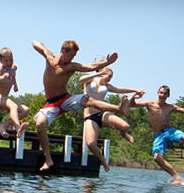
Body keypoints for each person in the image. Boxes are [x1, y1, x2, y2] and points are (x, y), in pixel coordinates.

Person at [32, 40, 130, 171]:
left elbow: (89, 66)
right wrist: (45, 50)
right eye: (71, 55)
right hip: (51, 103)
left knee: (87, 100)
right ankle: (48, 160)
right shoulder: (49, 58)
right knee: (40, 125)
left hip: (65, 99)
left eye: (74, 56)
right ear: (63, 52)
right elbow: (35, 42)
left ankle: (119, 108)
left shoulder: (71, 66)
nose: (72, 58)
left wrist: (107, 63)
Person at [129, 85, 184, 184]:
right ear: (157, 93)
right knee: (157, 158)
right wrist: (133, 97)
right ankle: (177, 178)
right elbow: (132, 105)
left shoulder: (170, 107)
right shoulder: (150, 104)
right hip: (159, 135)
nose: (162, 95)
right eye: (161, 93)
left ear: (168, 95)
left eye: (165, 93)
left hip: (170, 131)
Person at [79, 66, 144, 172]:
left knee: (125, 126)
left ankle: (123, 134)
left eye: (111, 77)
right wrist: (97, 74)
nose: (109, 79)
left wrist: (135, 90)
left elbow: (120, 89)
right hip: (90, 117)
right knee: (91, 144)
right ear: (103, 73)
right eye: (109, 76)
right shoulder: (90, 80)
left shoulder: (107, 86)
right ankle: (103, 161)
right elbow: (81, 79)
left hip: (102, 113)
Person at [0, 47, 29, 138]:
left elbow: (13, 76)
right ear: (1, 61)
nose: (9, 63)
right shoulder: (1, 68)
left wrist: (15, 85)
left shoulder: (14, 68)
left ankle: (3, 126)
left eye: (11, 60)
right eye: (6, 61)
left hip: (4, 98)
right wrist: (2, 77)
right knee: (13, 106)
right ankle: (18, 128)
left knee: (25, 110)